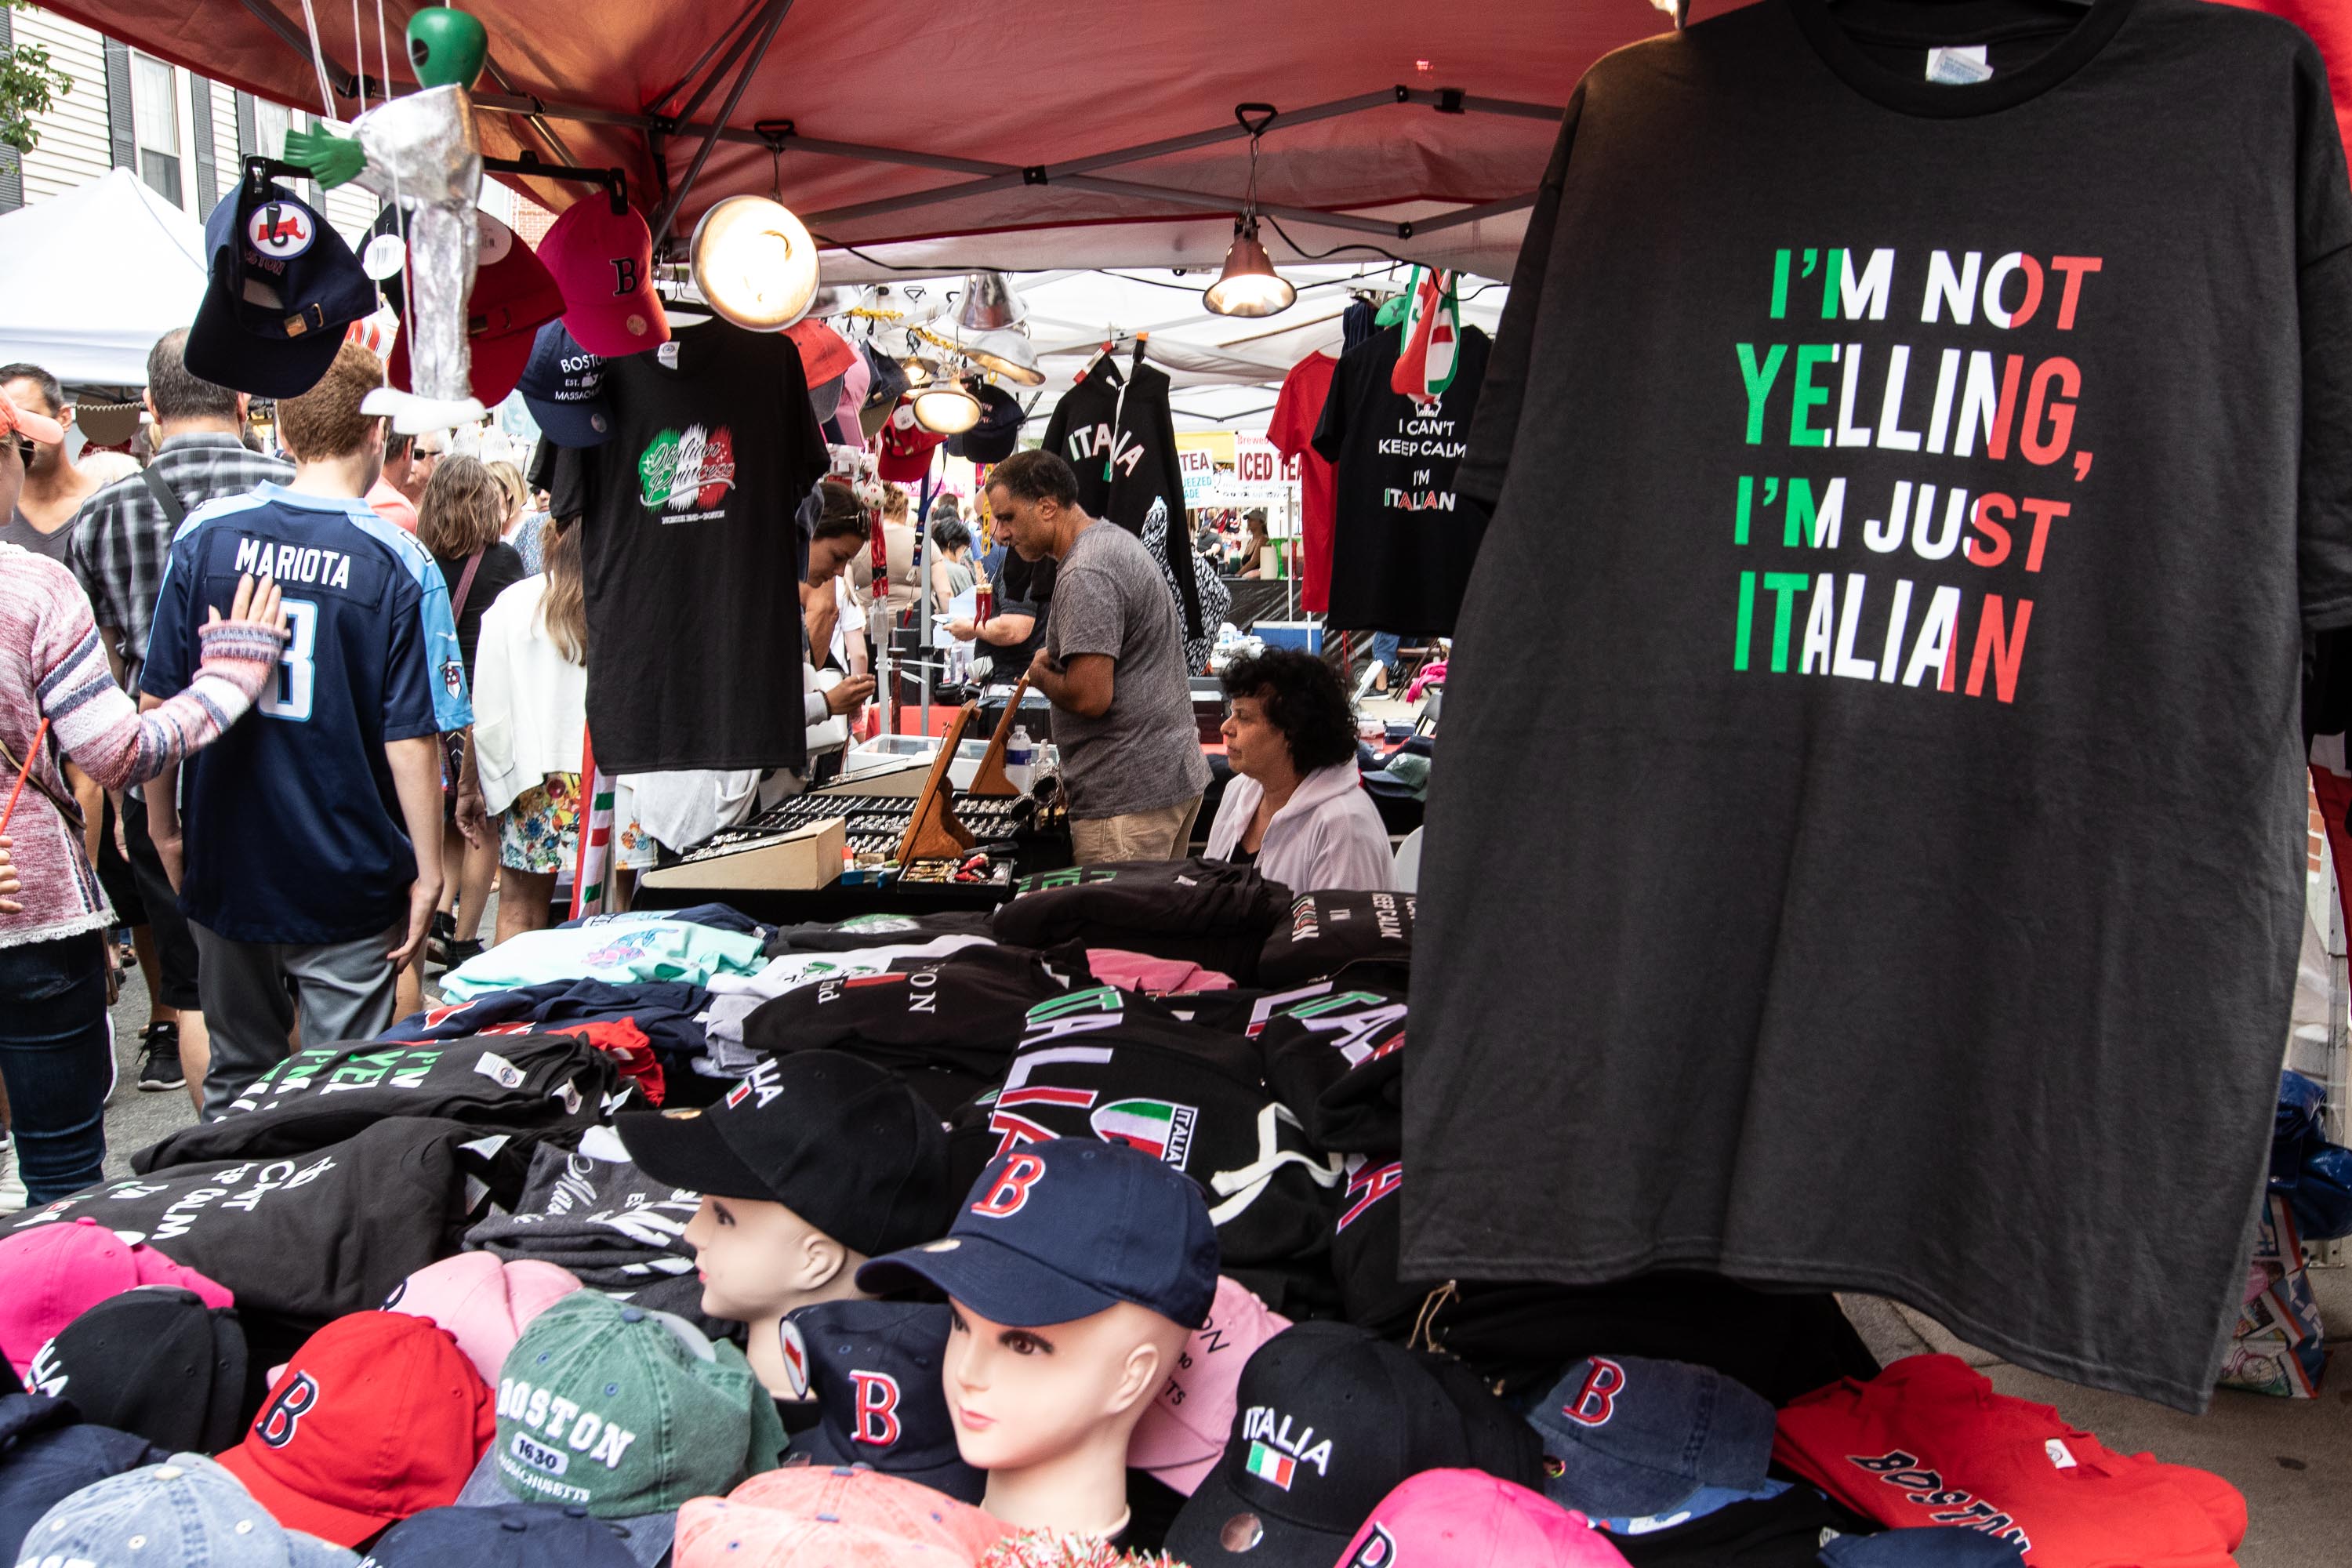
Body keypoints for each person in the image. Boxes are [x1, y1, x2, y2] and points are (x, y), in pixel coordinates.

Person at [140, 343, 470, 1117]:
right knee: (337, 1083)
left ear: (282, 430)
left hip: (230, 853)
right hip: (346, 867)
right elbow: (412, 735)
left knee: (237, 1074)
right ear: (376, 431)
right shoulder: (397, 560)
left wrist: (163, 826)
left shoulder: (206, 536)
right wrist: (428, 871)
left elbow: (159, 698)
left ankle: (228, 1219)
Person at [2, 385, 290, 1202]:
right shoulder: (30, 592)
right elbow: (118, 747)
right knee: (60, 1180)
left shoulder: (92, 529)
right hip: (33, 913)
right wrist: (229, 676)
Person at [67, 328, 292, 1101]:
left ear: (153, 409)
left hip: (163, 772)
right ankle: (303, 1146)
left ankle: (223, 1148)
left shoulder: (104, 514)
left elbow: (94, 667)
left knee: (197, 988)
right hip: (288, 761)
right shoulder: (294, 489)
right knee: (292, 972)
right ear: (239, 399)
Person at [989, 449, 1207, 864]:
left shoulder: (1087, 569)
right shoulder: (1108, 544)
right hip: (1155, 782)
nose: (1001, 533)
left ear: (1047, 506)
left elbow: (1091, 696)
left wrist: (1039, 674)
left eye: (1008, 517)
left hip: (1126, 796)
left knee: (1118, 929)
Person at [417, 456, 525, 966]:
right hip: (482, 713)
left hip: (430, 709)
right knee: (483, 826)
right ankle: (463, 938)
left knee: (442, 825)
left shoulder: (417, 559)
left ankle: (437, 911)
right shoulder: (502, 562)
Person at [1205, 648, 1394, 890]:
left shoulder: (1343, 825)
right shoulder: (1239, 790)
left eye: (1243, 717)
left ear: (1292, 730)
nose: (1225, 727)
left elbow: (1340, 927)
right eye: (1232, 713)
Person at [0, 364, 98, 562]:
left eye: (30, 417)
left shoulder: (109, 505)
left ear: (64, 418)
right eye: (9, 428)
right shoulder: (4, 509)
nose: (20, 436)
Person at [367, 427, 443, 533]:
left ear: (441, 460)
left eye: (418, 455)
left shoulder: (357, 490)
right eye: (415, 453)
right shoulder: (400, 510)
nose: (413, 462)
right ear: (407, 449)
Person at [931, 514, 978, 615]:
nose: (963, 553)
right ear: (950, 544)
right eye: (963, 549)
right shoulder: (959, 572)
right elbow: (970, 610)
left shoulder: (927, 566)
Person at [1233, 510, 1271, 579]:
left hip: (1256, 581)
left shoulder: (1263, 540)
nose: (1249, 522)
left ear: (1261, 522)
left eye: (1252, 520)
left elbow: (1253, 562)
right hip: (1247, 578)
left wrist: (1237, 575)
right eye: (1248, 520)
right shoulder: (1250, 541)